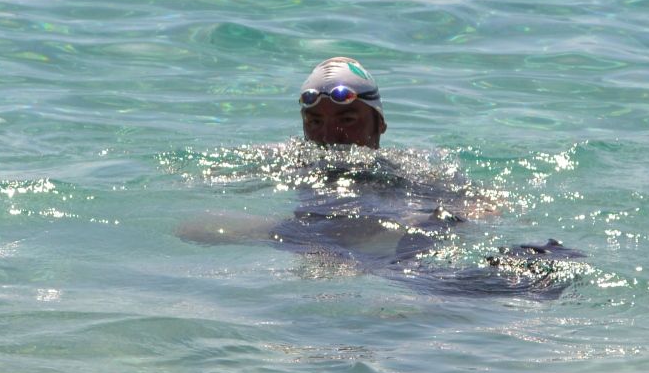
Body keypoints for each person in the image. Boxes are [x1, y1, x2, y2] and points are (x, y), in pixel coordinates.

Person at [177, 56, 585, 297]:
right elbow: (198, 176)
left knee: (435, 286)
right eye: (314, 121)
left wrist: (469, 213)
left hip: (393, 240)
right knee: (191, 229)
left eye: (347, 120)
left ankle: (523, 274)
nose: (329, 134)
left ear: (380, 124)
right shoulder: (284, 159)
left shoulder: (407, 165)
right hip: (320, 240)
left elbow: (486, 202)